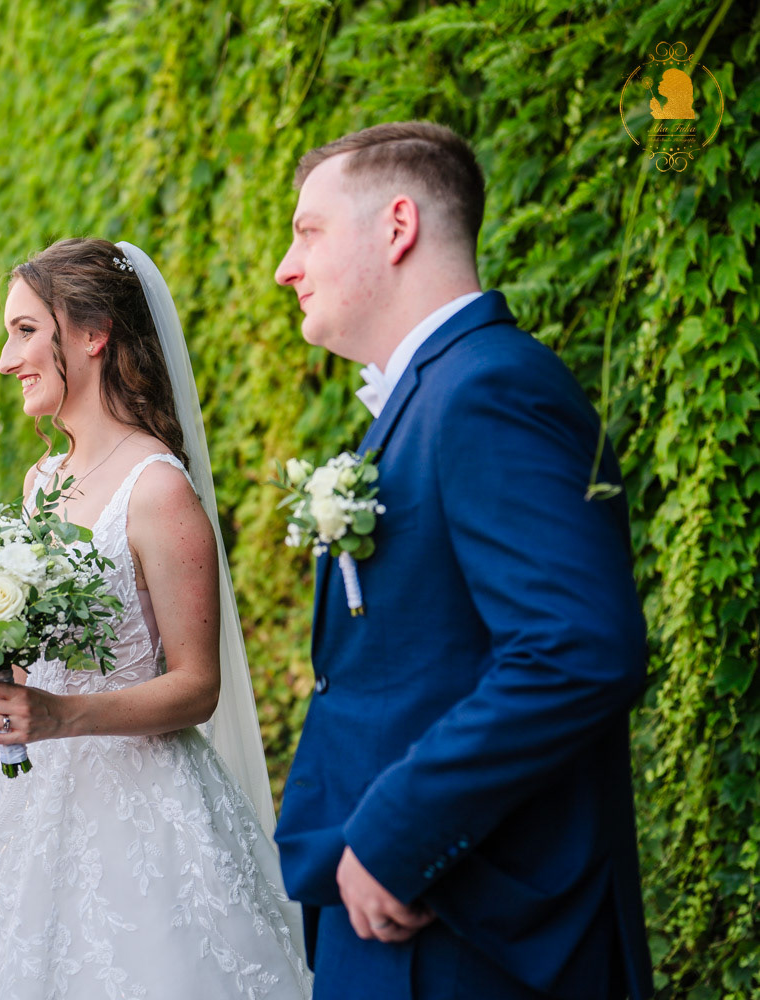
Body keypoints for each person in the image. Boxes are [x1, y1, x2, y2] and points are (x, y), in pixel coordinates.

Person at [270, 121, 652, 1000]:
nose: (287, 268)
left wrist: (398, 836)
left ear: (397, 226)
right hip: (402, 911)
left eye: (308, 232)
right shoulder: (436, 392)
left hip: (468, 926)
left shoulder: (488, 388)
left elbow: (576, 648)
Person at [0, 238, 311, 999]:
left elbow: (197, 687)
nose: (6, 359)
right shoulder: (42, 481)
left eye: (25, 331)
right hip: (36, 806)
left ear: (92, 334)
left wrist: (61, 716)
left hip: (146, 811)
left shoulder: (158, 490)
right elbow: (28, 667)